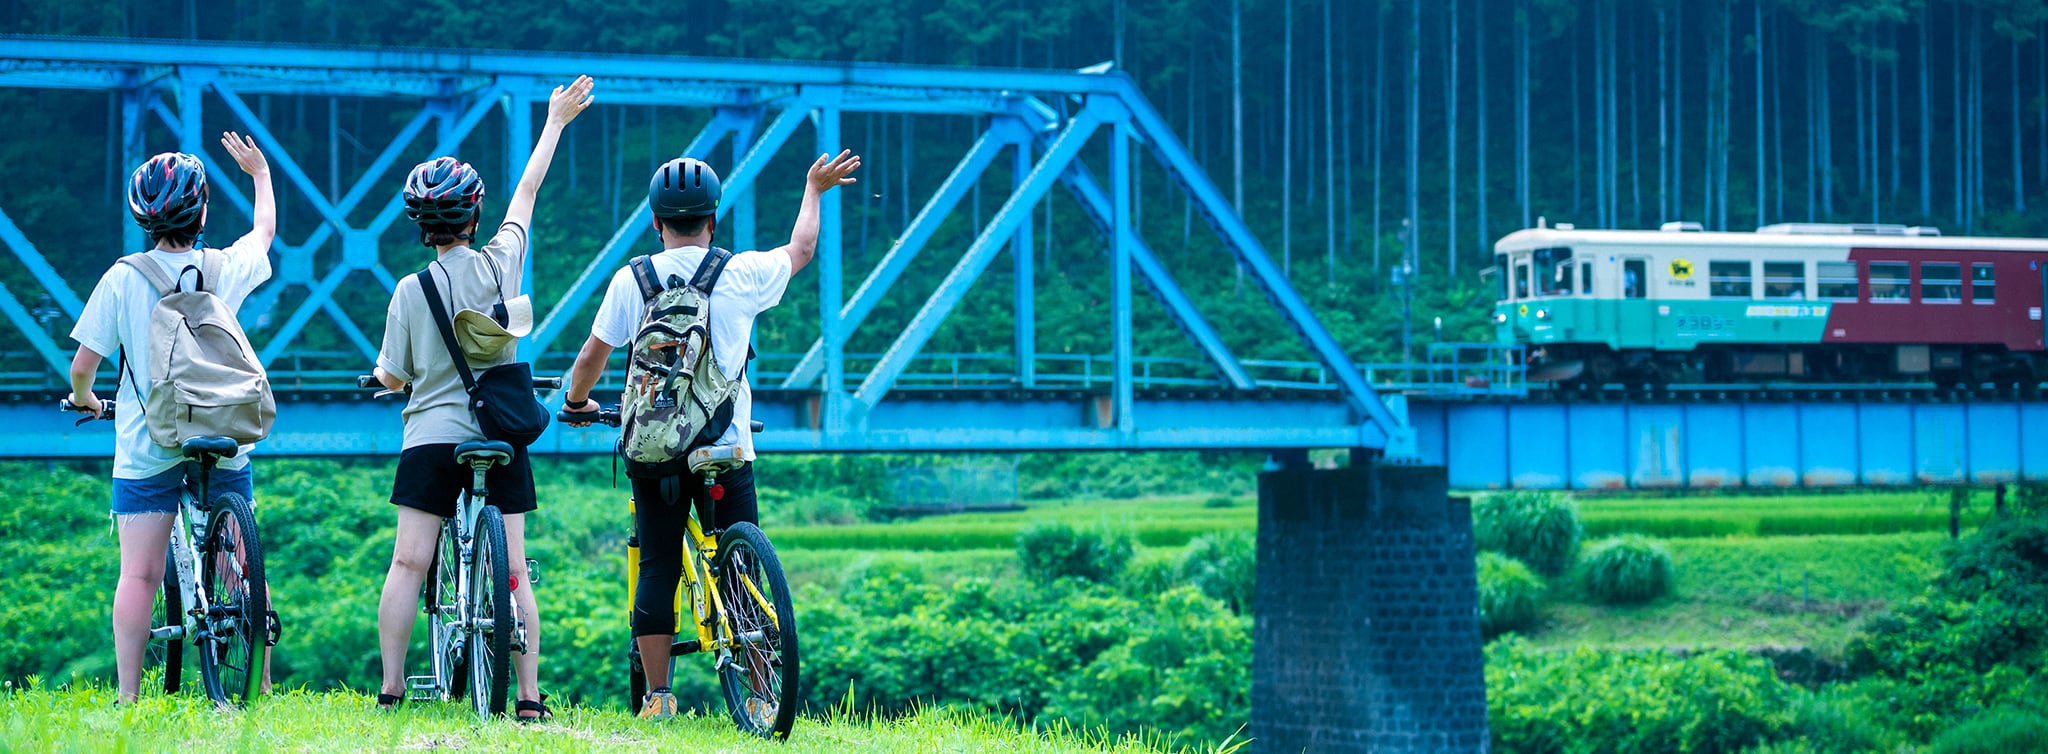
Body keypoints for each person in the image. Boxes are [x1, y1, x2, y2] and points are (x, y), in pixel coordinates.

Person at [560, 149, 861, 720]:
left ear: (655, 222)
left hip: (656, 453)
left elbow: (591, 358)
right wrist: (813, 189)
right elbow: (801, 251)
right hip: (724, 446)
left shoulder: (632, 280)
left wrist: (578, 404)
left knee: (657, 566)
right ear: (713, 219)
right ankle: (761, 692)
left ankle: (659, 698)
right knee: (741, 569)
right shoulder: (740, 273)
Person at [369, 75, 593, 719]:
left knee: (409, 562)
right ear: (473, 215)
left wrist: (389, 382)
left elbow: (392, 375)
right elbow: (527, 193)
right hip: (500, 434)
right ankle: (526, 699)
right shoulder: (503, 261)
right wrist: (553, 122)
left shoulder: (410, 291)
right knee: (516, 569)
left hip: (432, 439)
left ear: (420, 225)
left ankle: (389, 691)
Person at [68, 134, 277, 704]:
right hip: (222, 429)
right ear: (203, 210)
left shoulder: (122, 277)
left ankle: (130, 698)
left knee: (138, 574)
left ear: (142, 216)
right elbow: (263, 234)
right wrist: (259, 175)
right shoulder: (223, 267)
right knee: (237, 560)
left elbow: (83, 365)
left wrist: (86, 399)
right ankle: (255, 681)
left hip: (149, 439)